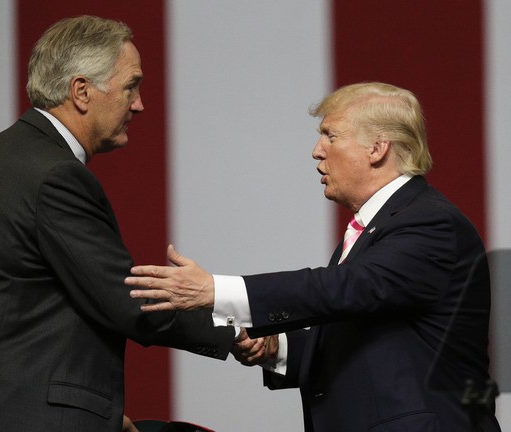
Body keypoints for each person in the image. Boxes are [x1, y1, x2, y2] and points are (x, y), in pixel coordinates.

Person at [125, 82, 502, 431]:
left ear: (377, 148)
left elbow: (342, 289)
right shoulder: (380, 226)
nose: (317, 150)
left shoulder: (430, 222)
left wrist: (214, 290)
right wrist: (279, 347)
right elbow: (374, 342)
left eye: (330, 136)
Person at [0, 15, 235, 432]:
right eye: (131, 86)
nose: (140, 103)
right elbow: (128, 301)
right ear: (81, 91)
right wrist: (238, 329)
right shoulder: (55, 175)